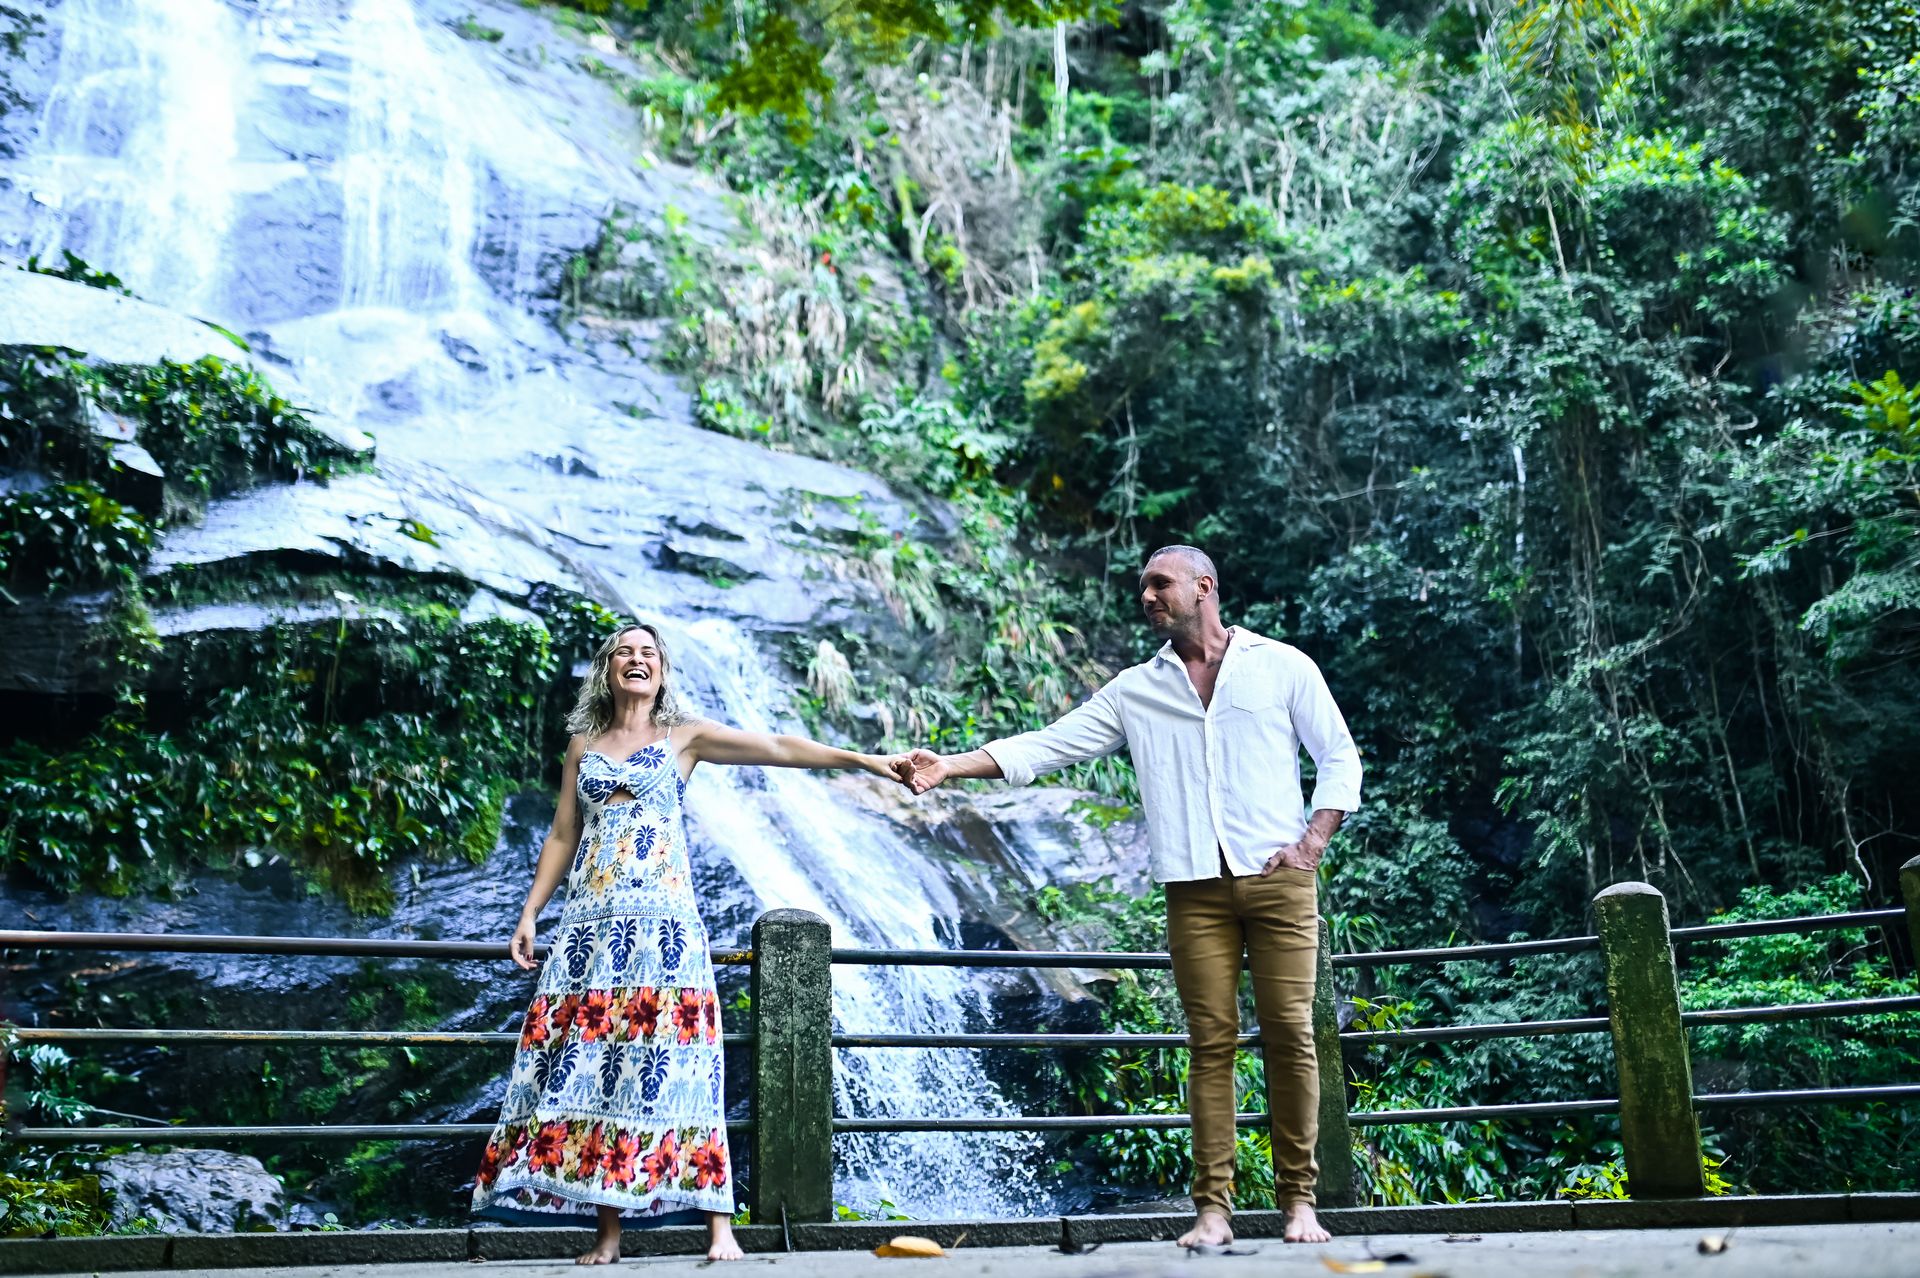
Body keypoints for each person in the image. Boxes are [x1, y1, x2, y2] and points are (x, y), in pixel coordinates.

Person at [904, 545, 1361, 1248]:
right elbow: (1052, 744)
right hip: (1194, 892)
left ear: (1204, 587)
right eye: (1143, 587)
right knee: (1209, 1044)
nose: (1147, 596)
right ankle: (1213, 1212)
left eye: (1160, 584)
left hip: (1280, 883)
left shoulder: (1281, 665)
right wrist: (952, 766)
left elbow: (1338, 756)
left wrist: (1311, 844)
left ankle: (1299, 1201)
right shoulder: (1135, 689)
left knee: (1291, 1038)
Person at [473, 622, 913, 1264]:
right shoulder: (582, 745)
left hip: (664, 930)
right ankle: (609, 1233)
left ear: (663, 671)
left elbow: (779, 747)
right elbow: (564, 834)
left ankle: (719, 1228)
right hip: (593, 931)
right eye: (624, 651)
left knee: (684, 1065)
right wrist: (530, 912)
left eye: (648, 653)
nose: (637, 659)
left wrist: (868, 761)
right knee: (601, 1067)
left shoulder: (685, 736)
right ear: (607, 669)